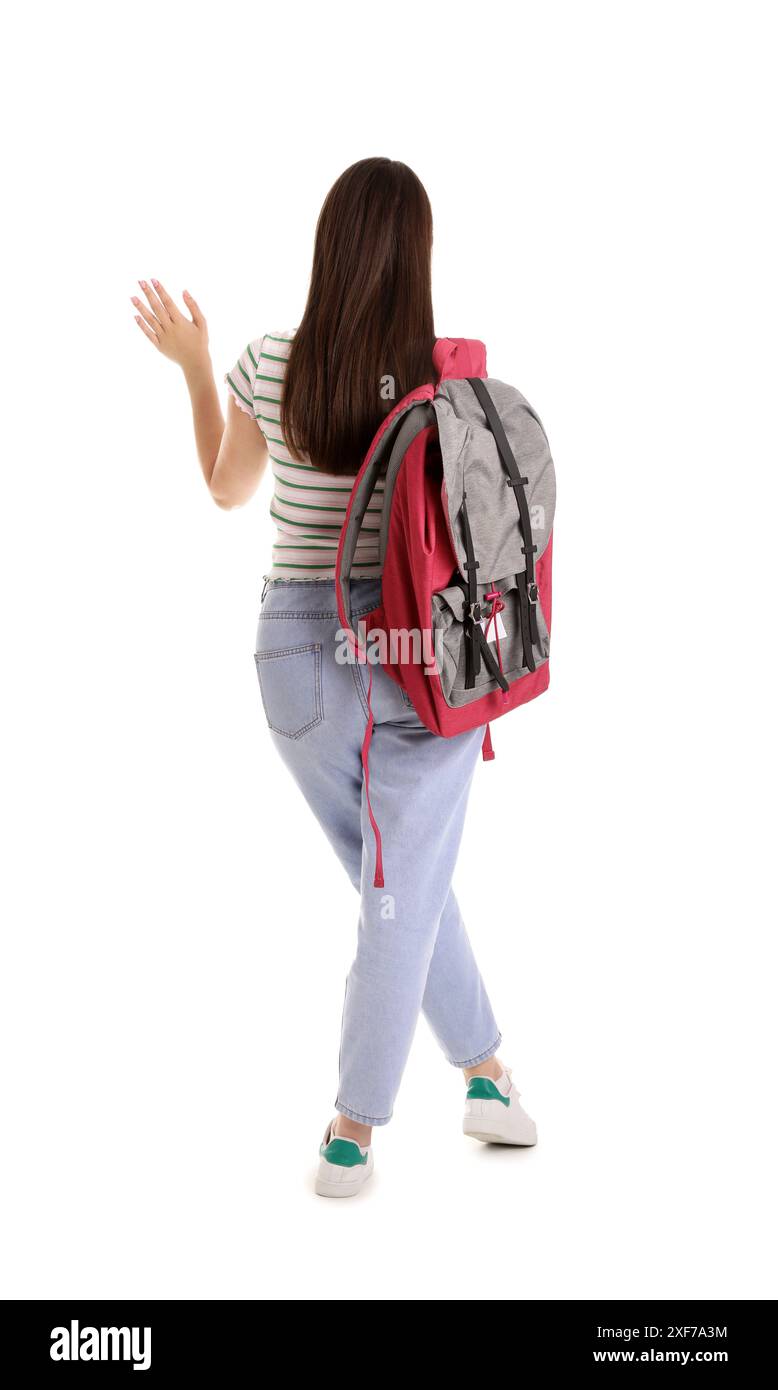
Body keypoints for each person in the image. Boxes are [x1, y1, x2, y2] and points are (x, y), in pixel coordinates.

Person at [131, 157, 537, 1199]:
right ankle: (353, 1126)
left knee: (403, 873)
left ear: (329, 244)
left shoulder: (275, 360)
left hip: (293, 664)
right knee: (398, 887)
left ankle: (485, 1072)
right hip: (411, 661)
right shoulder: (440, 383)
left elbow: (227, 491)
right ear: (417, 256)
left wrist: (194, 364)